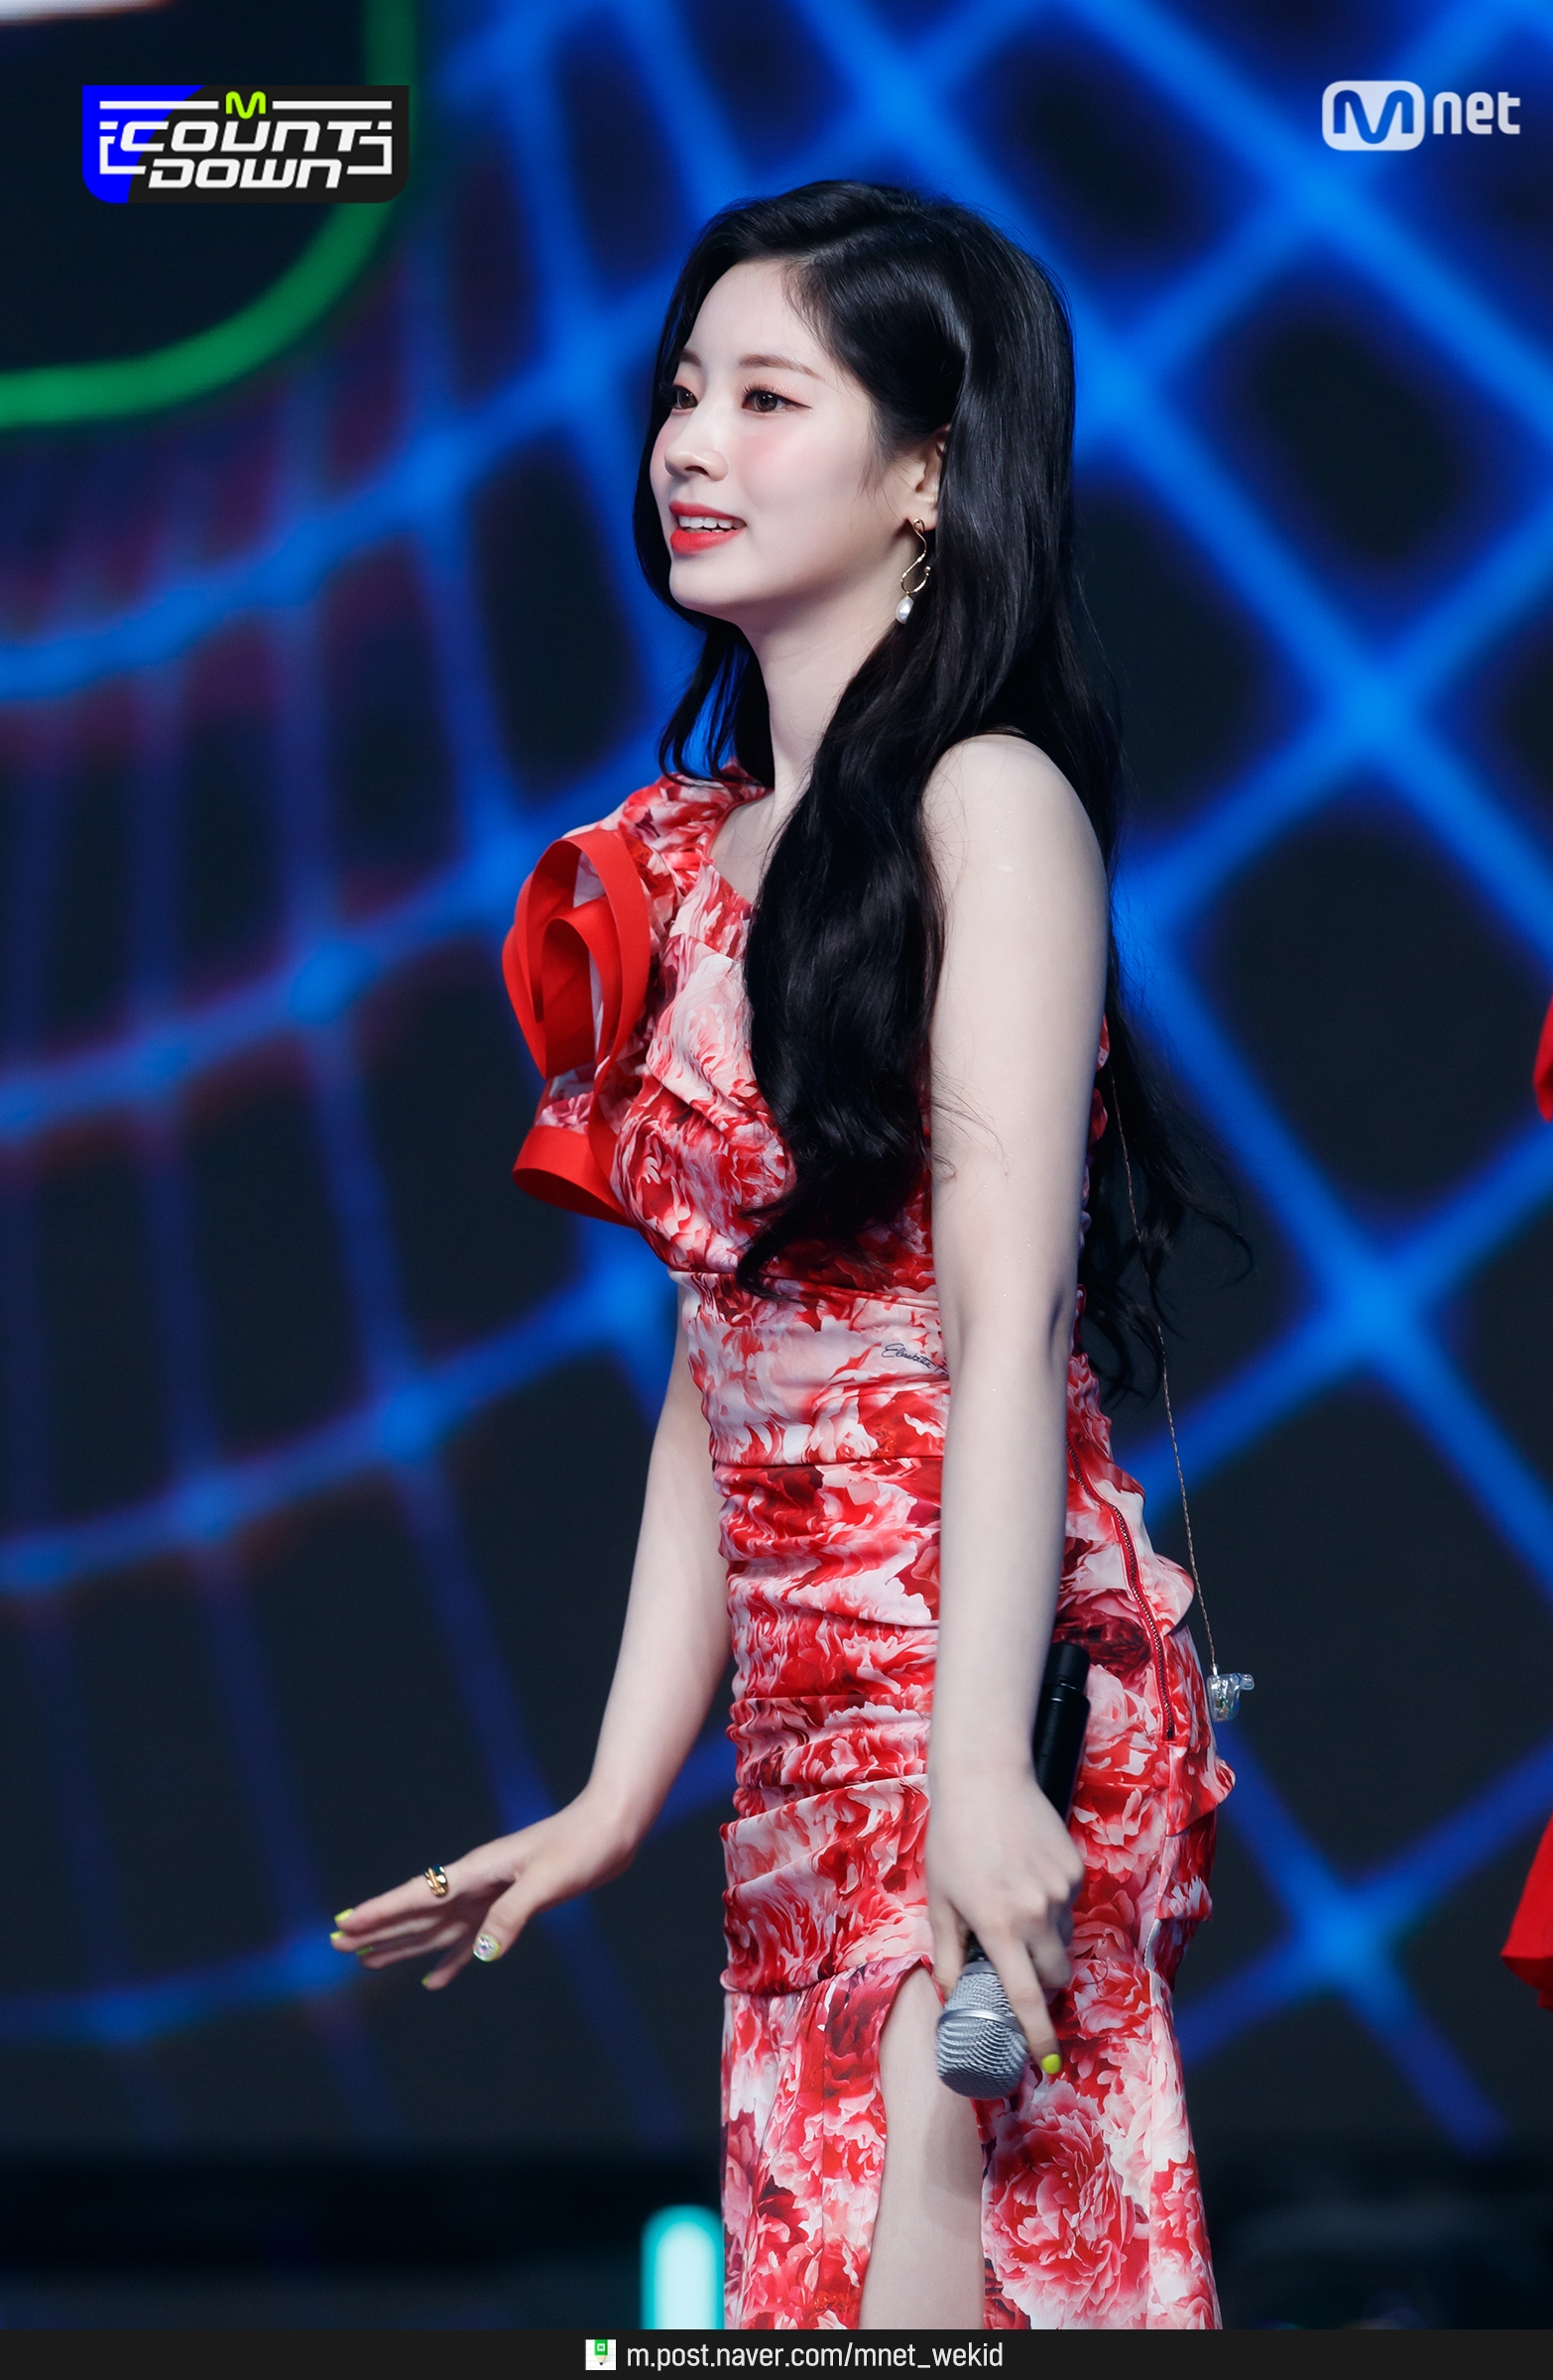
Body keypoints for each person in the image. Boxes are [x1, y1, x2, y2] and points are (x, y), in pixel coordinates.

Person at [331, 182, 1232, 2330]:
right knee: (816, 2276)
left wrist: (977, 1763)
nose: (687, 444)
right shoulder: (693, 855)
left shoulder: (987, 803)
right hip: (808, 1723)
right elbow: (712, 1370)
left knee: (944, 2276)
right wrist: (612, 1793)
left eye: (765, 396)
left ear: (927, 470)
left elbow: (1002, 1323)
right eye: (678, 394)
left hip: (982, 1658)